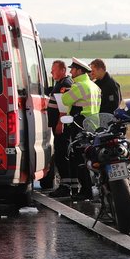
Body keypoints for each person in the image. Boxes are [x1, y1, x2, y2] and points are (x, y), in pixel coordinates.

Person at [56, 57, 102, 200]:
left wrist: (66, 93)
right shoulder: (95, 86)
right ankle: (94, 188)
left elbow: (64, 100)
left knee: (79, 159)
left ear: (79, 70)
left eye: (73, 69)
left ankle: (86, 191)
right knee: (89, 158)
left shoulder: (79, 86)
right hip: (93, 126)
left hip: (79, 126)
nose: (70, 71)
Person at [43, 60, 73, 194]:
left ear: (62, 71)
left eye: (53, 70)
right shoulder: (60, 84)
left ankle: (65, 186)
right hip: (60, 124)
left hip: (62, 126)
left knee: (62, 155)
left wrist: (60, 123)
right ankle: (67, 185)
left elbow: (64, 107)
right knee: (61, 155)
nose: (51, 72)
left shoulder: (65, 85)